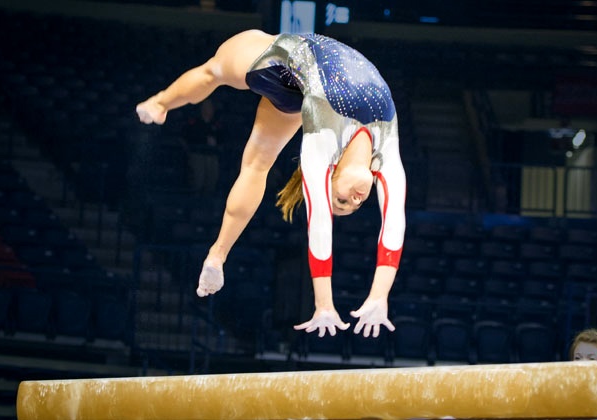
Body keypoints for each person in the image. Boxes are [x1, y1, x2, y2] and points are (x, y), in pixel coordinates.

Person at [136, 30, 406, 339]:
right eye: (355, 204)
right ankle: (160, 104)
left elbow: (320, 223)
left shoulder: (322, 143)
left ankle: (217, 254)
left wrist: (326, 305)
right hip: (295, 77)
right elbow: (394, 223)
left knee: (222, 89)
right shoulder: (387, 150)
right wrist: (378, 297)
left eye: (341, 201)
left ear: (331, 173)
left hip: (278, 63)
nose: (355, 200)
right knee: (222, 94)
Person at [180, 98, 221, 195]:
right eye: (206, 107)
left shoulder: (217, 124)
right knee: (198, 181)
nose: (208, 109)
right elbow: (184, 137)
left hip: (212, 156)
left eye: (210, 107)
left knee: (211, 181)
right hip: (197, 155)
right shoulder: (194, 122)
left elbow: (223, 139)